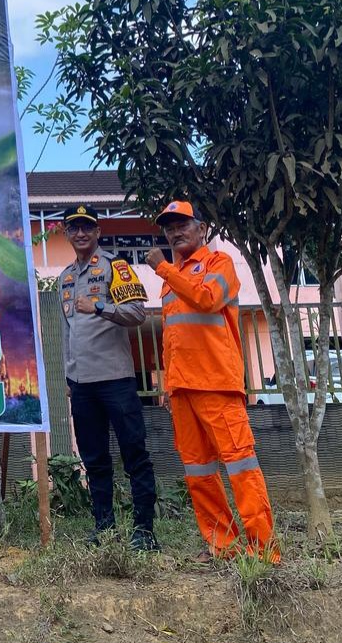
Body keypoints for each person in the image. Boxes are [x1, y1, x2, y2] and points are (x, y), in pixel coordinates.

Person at [145, 201, 279, 563]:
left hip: (217, 384)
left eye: (182, 225)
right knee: (199, 472)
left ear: (202, 229)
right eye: (169, 227)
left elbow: (206, 299)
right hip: (183, 389)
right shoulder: (172, 279)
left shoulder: (219, 264)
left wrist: (162, 268)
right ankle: (224, 547)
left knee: (241, 466)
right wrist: (170, 387)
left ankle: (263, 551)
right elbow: (172, 338)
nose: (175, 232)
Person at [56, 205, 159, 551]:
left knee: (135, 454)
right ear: (66, 233)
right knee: (94, 460)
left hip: (116, 379)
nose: (81, 233)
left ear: (98, 232)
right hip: (81, 384)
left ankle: (144, 531)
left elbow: (137, 313)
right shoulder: (65, 278)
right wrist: (69, 376)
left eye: (87, 227)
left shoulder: (116, 267)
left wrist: (100, 307)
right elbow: (67, 331)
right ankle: (104, 529)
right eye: (74, 228)